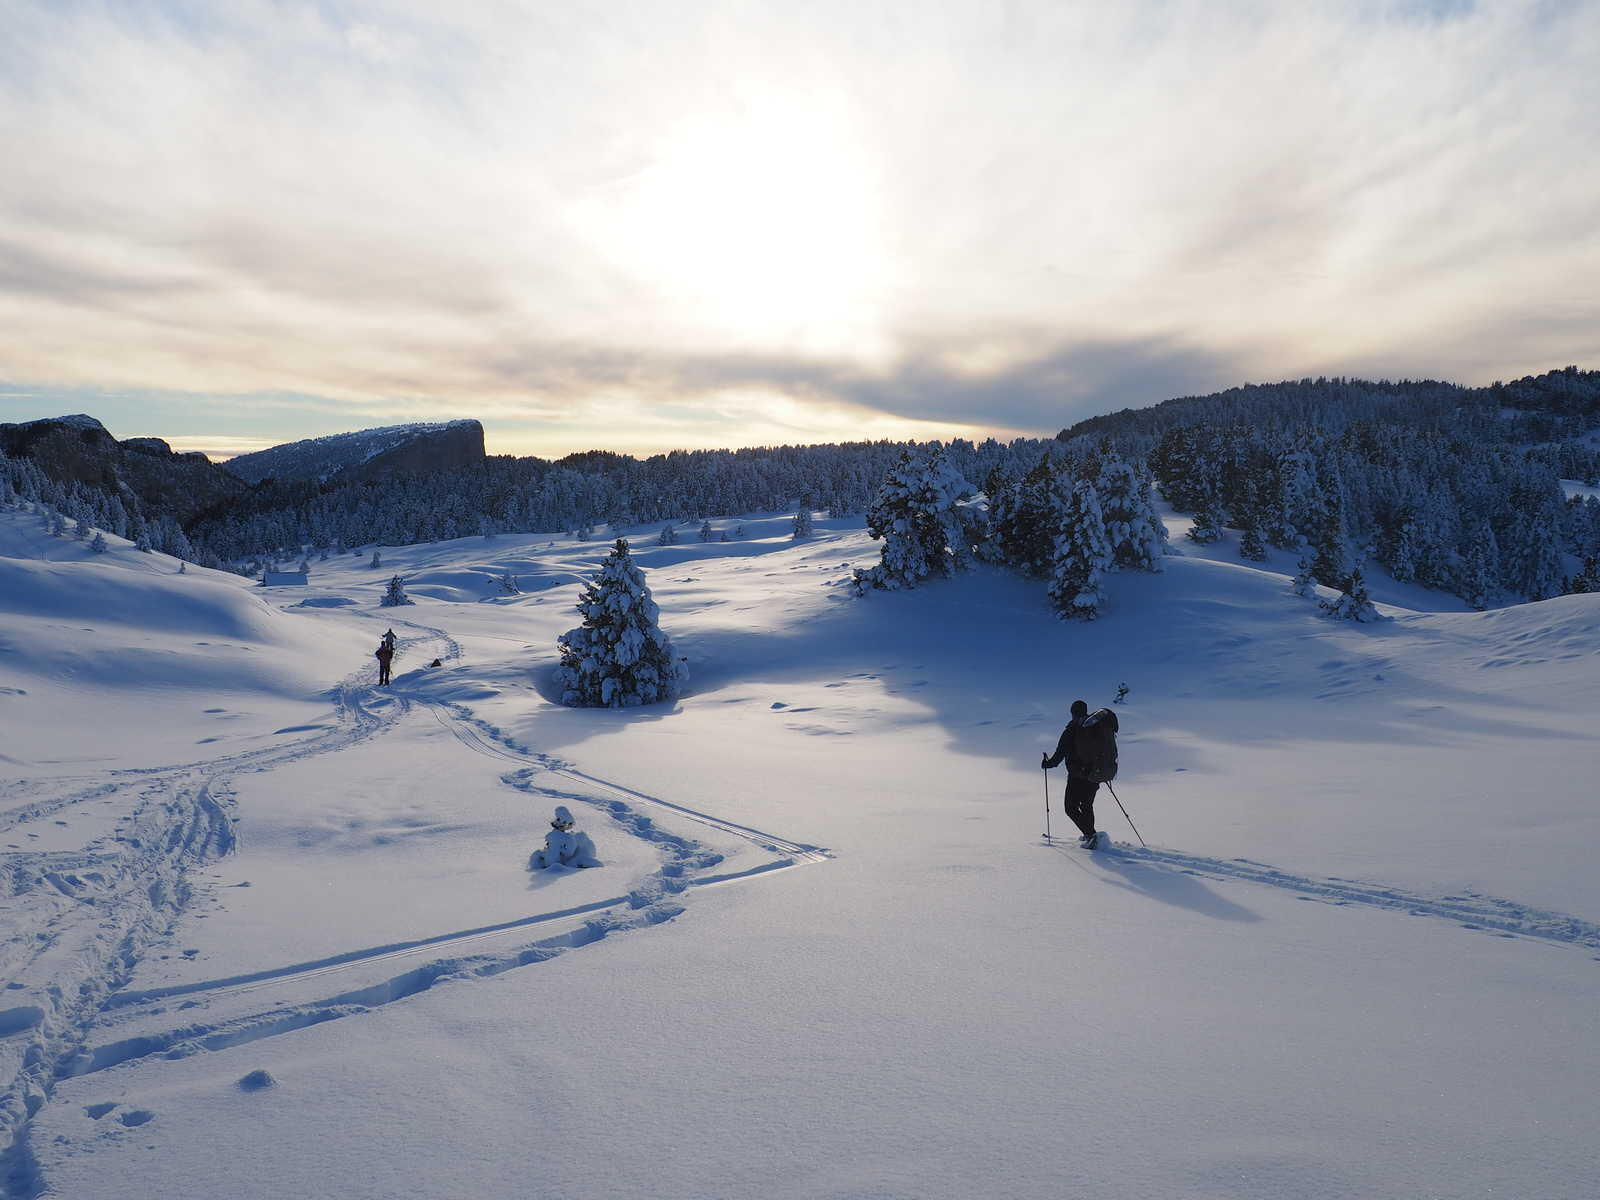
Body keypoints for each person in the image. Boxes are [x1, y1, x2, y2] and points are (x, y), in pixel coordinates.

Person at [1042, 699, 1099, 847]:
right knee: (1087, 805)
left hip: (1077, 776)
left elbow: (1060, 754)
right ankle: (1090, 834)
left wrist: (1048, 764)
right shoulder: (1095, 727)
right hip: (1095, 774)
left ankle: (1090, 835)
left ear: (1072, 712)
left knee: (1070, 807)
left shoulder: (1071, 729)